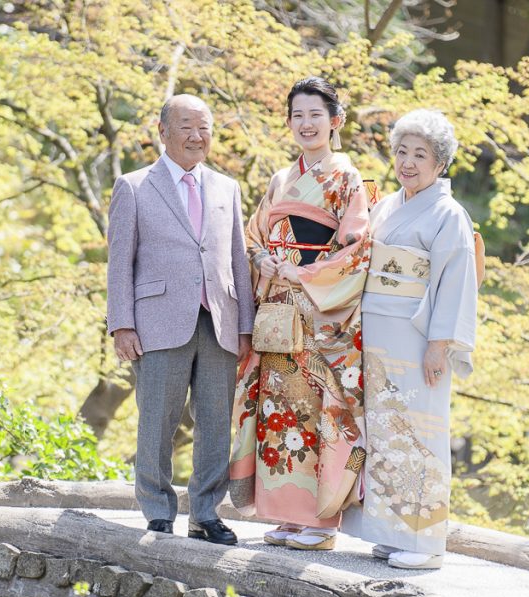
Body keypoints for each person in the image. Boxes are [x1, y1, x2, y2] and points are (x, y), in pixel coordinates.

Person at [228, 77, 372, 551]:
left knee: (316, 410)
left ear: (336, 122)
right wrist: (263, 261)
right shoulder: (279, 179)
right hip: (277, 310)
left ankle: (321, 521)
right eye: (297, 116)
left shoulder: (348, 180)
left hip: (317, 312)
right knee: (277, 410)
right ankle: (287, 516)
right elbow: (252, 236)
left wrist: (304, 274)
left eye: (315, 115)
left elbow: (356, 249)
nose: (306, 124)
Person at [106, 94, 255, 545]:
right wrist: (121, 324)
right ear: (163, 131)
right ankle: (157, 511)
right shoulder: (133, 187)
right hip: (157, 320)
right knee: (157, 420)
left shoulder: (226, 187)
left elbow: (237, 258)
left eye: (204, 127)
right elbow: (119, 262)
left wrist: (245, 325)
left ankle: (206, 513)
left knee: (214, 422)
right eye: (187, 126)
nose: (197, 136)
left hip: (219, 319)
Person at [340, 109, 478, 570]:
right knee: (383, 430)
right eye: (402, 152)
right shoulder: (387, 205)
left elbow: (456, 281)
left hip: (418, 338)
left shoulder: (448, 214)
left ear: (441, 163)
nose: (408, 162)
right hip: (378, 331)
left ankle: (425, 543)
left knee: (420, 433)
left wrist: (441, 344)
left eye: (421, 154)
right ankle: (391, 531)